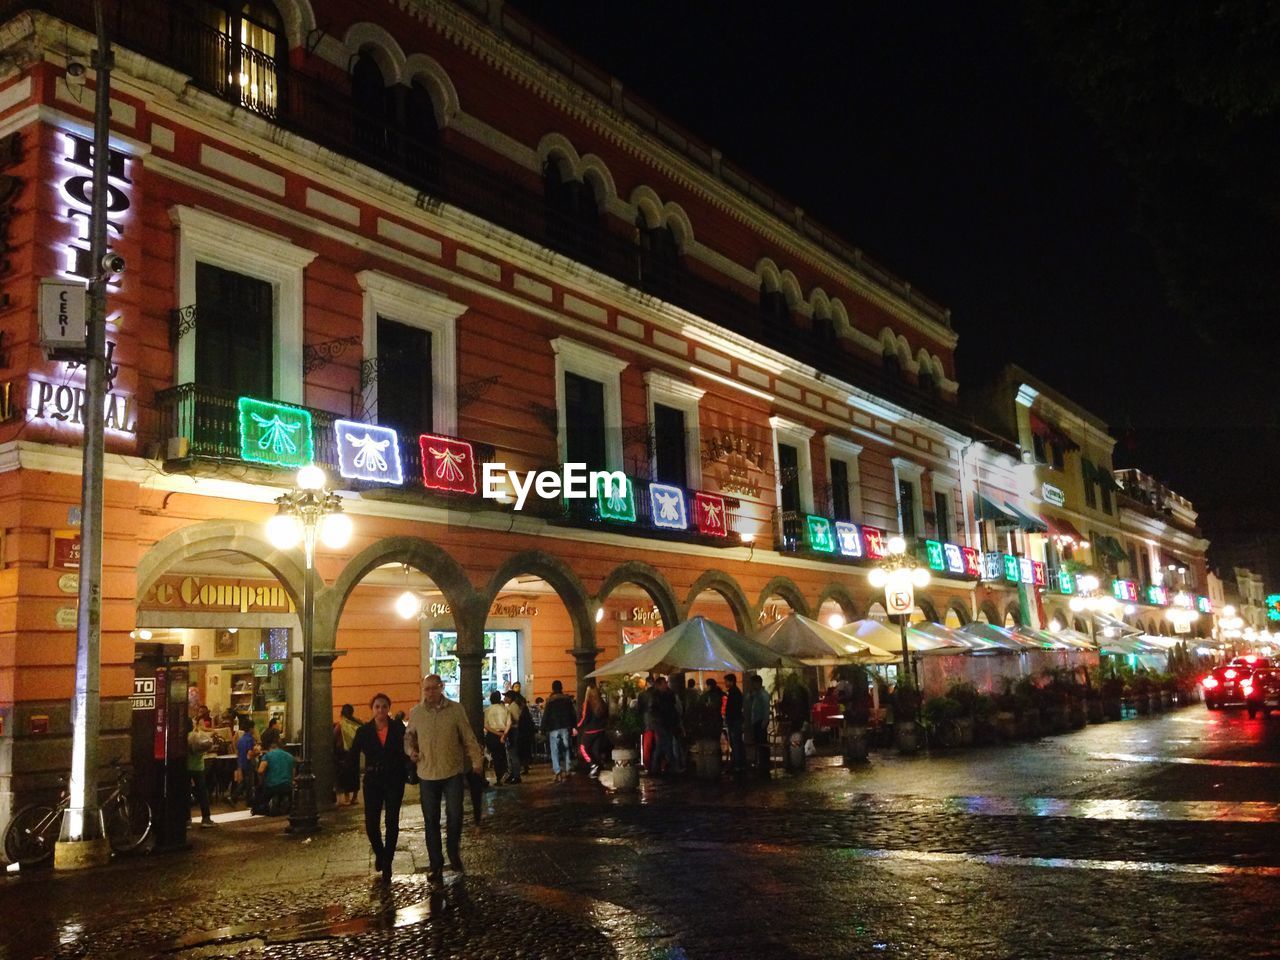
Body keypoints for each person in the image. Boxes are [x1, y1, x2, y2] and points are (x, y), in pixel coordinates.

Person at [404, 674, 484, 887]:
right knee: (431, 820)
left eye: (433, 688)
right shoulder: (416, 713)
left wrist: (477, 761)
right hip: (427, 773)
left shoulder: (456, 710)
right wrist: (411, 751)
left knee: (455, 815)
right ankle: (435, 864)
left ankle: (452, 850)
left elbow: (468, 736)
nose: (429, 693)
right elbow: (409, 736)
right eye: (426, 689)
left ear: (441, 688)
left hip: (452, 772)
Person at [346, 693, 406, 881]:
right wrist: (350, 778)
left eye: (384, 706)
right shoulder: (364, 731)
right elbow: (354, 754)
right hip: (372, 780)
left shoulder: (398, 729)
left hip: (394, 778)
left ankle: (388, 860)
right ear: (372, 709)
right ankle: (380, 852)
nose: (381, 710)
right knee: (371, 824)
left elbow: (406, 750)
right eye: (377, 707)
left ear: (389, 708)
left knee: (392, 821)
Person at [254, 729, 296, 816]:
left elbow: (260, 770)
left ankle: (266, 806)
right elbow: (293, 773)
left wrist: (263, 779)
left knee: (261, 792)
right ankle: (284, 803)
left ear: (269, 748)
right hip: (287, 786)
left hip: (272, 786)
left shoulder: (267, 756)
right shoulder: (290, 756)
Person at [541, 680, 576, 782]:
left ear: (553, 688)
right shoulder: (567, 699)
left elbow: (546, 715)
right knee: (566, 748)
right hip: (565, 726)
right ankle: (568, 769)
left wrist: (543, 729)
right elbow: (572, 713)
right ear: (561, 687)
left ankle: (557, 771)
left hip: (553, 728)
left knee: (554, 750)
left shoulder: (550, 700)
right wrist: (574, 726)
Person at [185, 715, 214, 827]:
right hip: (198, 767)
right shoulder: (196, 737)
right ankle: (206, 819)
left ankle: (187, 820)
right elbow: (208, 744)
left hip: (186, 768)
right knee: (202, 793)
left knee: (186, 794)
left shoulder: (183, 738)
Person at [576, 680, 608, 778]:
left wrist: (578, 727)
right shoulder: (601, 702)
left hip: (590, 729)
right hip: (600, 729)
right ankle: (597, 768)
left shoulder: (588, 703)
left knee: (583, 748)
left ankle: (592, 765)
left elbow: (584, 717)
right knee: (595, 750)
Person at [334, 703, 362, 806]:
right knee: (355, 775)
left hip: (343, 754)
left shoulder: (340, 725)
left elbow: (334, 736)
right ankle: (354, 797)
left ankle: (346, 798)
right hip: (354, 753)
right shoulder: (357, 723)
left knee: (345, 775)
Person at [744, 674, 772, 777]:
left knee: (762, 743)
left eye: (752, 683)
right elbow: (748, 700)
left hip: (760, 722)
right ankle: (762, 763)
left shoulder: (763, 695)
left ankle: (764, 764)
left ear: (757, 683)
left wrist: (764, 722)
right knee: (759, 743)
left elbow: (766, 709)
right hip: (756, 721)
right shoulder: (755, 694)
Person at [483, 690, 511, 785]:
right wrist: (504, 734)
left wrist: (496, 733)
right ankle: (504, 772)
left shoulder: (487, 710)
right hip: (503, 734)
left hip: (492, 735)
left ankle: (499, 777)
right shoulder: (505, 709)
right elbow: (509, 723)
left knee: (495, 757)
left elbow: (486, 725)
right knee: (502, 755)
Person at [230, 718, 258, 807]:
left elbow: (238, 751)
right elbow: (250, 753)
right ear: (251, 728)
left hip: (241, 762)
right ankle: (248, 801)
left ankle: (234, 797)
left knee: (245, 782)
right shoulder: (250, 739)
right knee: (249, 782)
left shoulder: (241, 739)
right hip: (248, 763)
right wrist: (257, 752)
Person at [723, 674, 745, 772]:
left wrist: (728, 718)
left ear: (731, 681)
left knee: (736, 742)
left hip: (734, 720)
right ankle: (738, 763)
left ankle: (737, 764)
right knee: (736, 742)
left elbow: (732, 708)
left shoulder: (733, 693)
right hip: (735, 720)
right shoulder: (735, 692)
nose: (725, 683)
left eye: (726, 681)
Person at [501, 690, 523, 784]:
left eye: (505, 696)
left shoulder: (513, 706)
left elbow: (516, 719)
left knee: (513, 754)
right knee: (511, 754)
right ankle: (513, 774)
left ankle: (516, 776)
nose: (504, 698)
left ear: (509, 698)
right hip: (513, 731)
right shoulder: (513, 705)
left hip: (513, 731)